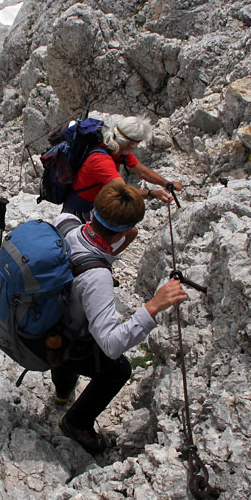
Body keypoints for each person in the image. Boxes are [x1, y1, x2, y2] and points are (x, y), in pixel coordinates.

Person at [54, 180, 187, 454]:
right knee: (118, 370)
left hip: (51, 322)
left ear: (93, 211)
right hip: (71, 337)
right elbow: (111, 344)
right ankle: (76, 422)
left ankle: (62, 391)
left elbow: (96, 248)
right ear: (123, 231)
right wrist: (152, 306)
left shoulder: (65, 222)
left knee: (68, 342)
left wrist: (124, 234)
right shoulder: (97, 277)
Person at [63, 115, 183, 220]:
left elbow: (142, 172)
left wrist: (167, 184)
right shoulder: (102, 161)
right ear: (132, 144)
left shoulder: (116, 149)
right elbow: (122, 190)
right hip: (80, 211)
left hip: (90, 203)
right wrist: (152, 193)